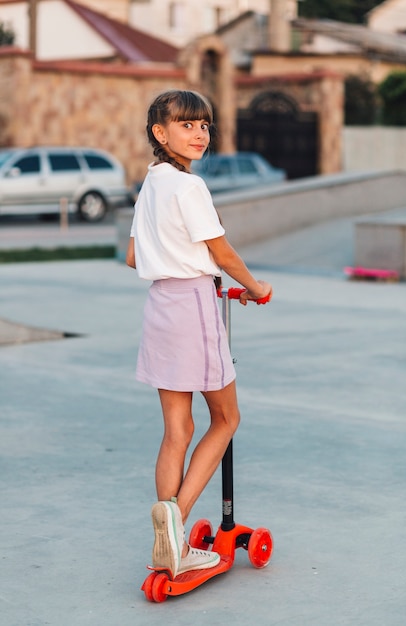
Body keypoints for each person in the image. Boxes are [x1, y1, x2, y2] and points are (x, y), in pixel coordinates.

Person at [126, 89, 272, 579]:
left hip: (160, 306)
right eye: (186, 126)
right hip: (192, 305)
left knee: (177, 430)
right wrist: (256, 286)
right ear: (159, 133)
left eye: (205, 125)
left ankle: (165, 534)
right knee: (226, 418)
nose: (199, 134)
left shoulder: (151, 183)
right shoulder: (189, 189)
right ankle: (176, 522)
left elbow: (133, 256)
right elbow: (223, 252)